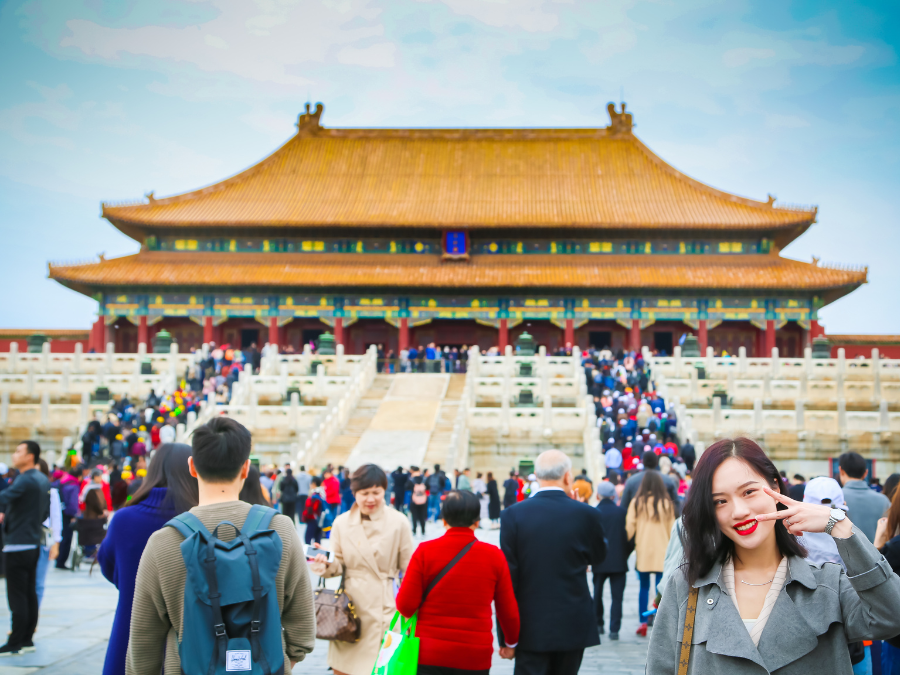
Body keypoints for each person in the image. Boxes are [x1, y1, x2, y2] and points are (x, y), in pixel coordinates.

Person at [646, 437, 900, 674]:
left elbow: (892, 616)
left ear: (775, 486)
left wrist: (841, 525)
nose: (739, 511)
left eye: (749, 492)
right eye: (719, 502)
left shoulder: (828, 584)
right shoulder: (687, 585)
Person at [126, 417, 315, 675]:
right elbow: (302, 626)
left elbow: (143, 642)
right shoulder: (280, 529)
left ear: (192, 467)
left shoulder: (164, 541)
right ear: (246, 469)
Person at [499, 450, 607, 675]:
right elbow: (598, 557)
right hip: (572, 622)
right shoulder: (586, 514)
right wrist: (581, 511)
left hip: (529, 625)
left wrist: (506, 638)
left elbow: (509, 579)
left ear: (536, 476)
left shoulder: (512, 515)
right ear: (568, 476)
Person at [98, 444, 199, 675]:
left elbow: (109, 567)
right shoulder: (202, 520)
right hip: (193, 639)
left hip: (131, 629)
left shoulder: (124, 519)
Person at [396, 490, 520, 674]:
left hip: (428, 654)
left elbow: (405, 605)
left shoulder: (424, 552)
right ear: (477, 522)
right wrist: (510, 644)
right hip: (474, 656)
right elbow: (507, 610)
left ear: (444, 520)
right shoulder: (494, 556)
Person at [309, 464, 414, 675]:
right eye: (364, 493)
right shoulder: (341, 523)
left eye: (376, 492)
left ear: (385, 491)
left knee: (387, 668)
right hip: (349, 613)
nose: (371, 499)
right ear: (354, 493)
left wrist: (410, 614)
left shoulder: (398, 522)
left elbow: (408, 570)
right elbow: (337, 566)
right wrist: (325, 562)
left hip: (388, 608)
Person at [0, 441, 50, 656]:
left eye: (19, 451)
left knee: (17, 595)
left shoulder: (26, 479)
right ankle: (27, 638)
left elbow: (3, 498)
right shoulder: (42, 479)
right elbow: (45, 514)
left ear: (30, 456)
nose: (15, 454)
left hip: (18, 544)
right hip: (32, 542)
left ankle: (16, 641)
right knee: (29, 592)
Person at [626, 470, 675, 636]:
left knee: (644, 587)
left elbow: (629, 528)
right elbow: (671, 530)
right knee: (660, 588)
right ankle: (658, 619)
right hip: (663, 551)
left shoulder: (637, 502)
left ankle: (642, 622)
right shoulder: (666, 503)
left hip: (644, 550)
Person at [593, 481, 628, 640]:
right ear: (614, 495)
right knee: (617, 597)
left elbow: (589, 538)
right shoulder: (622, 512)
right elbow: (630, 537)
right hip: (618, 561)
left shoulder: (594, 512)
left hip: (598, 561)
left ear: (597, 495)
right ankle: (614, 629)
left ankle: (598, 624)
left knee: (597, 594)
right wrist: (625, 553)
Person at [839, 452, 891, 542]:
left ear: (841, 471)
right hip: (877, 555)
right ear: (866, 473)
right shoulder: (884, 501)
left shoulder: (835, 499)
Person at [34, 460, 62, 607]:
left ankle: (33, 617)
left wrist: (56, 544)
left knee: (38, 581)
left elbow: (56, 518)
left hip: (42, 540)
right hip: (24, 540)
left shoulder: (51, 493)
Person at [301, 476, 325, 544]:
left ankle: (309, 554)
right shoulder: (322, 493)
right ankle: (317, 553)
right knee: (317, 539)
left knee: (307, 538)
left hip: (312, 519)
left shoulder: (314, 495)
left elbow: (310, 509)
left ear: (314, 484)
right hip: (320, 519)